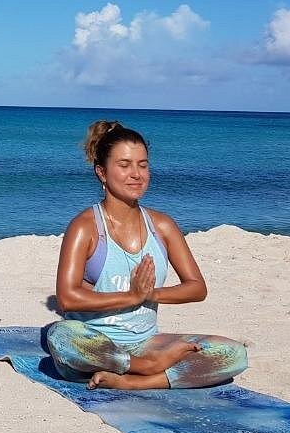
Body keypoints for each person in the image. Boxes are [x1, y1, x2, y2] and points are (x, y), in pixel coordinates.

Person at [44, 120, 247, 389]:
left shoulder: (162, 226)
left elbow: (197, 288)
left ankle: (135, 382)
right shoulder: (85, 227)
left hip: (147, 342)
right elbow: (68, 298)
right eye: (124, 165)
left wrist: (151, 295)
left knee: (233, 353)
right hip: (97, 342)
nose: (136, 174)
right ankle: (143, 368)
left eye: (143, 164)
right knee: (60, 336)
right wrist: (131, 297)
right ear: (102, 173)